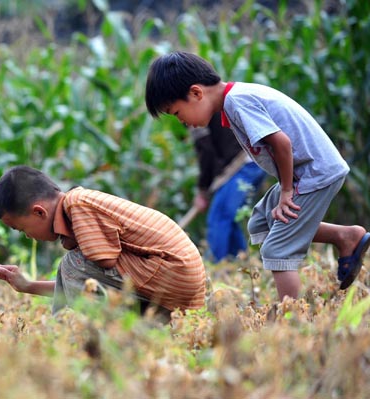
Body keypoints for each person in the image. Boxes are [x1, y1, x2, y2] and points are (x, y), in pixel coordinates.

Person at [145, 51, 370, 301]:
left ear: (196, 93)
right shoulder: (231, 103)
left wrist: (286, 191)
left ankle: (290, 316)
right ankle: (344, 235)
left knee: (278, 249)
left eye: (177, 113)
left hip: (315, 173)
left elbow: (282, 144)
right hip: (305, 172)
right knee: (261, 221)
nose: (183, 122)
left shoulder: (237, 102)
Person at [0, 165, 207, 316]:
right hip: (176, 280)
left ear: (39, 212)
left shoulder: (78, 204)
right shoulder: (78, 206)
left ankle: (97, 335)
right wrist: (28, 286)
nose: (28, 236)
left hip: (175, 272)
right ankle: (144, 326)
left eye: (22, 229)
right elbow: (89, 283)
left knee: (72, 263)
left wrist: (72, 246)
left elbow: (98, 267)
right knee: (72, 267)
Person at [189, 112, 266, 262]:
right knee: (229, 217)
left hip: (242, 164)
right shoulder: (201, 101)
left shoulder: (193, 111)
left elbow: (206, 153)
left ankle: (214, 269)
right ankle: (240, 263)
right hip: (252, 162)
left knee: (219, 216)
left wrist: (202, 191)